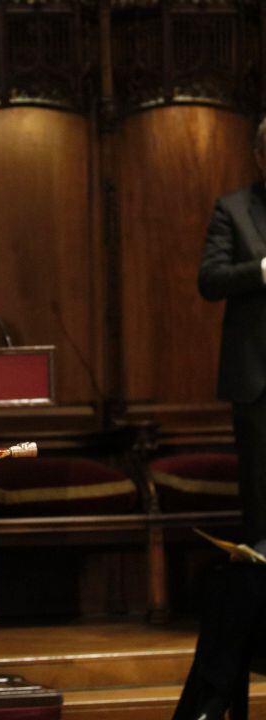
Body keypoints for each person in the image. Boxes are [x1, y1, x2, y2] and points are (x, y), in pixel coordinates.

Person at [199, 115, 266, 552]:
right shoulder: (234, 208)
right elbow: (211, 280)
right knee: (261, 492)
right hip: (258, 378)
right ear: (261, 157)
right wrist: (261, 270)